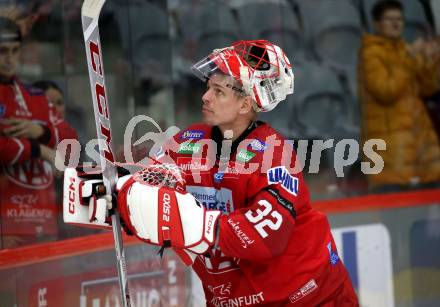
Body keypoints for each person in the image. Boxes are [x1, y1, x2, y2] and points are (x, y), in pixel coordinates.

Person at [68, 40, 359, 306]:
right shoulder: (189, 141)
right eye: (208, 87)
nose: (205, 97)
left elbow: (267, 235)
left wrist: (196, 225)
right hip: (233, 299)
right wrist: (109, 191)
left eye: (218, 92)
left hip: (312, 297)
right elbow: (149, 182)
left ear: (246, 103)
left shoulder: (275, 154)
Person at [0, 16, 74, 248]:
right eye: (2, 51)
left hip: (44, 218)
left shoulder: (35, 96)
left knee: (52, 282)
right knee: (10, 285)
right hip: (6, 225)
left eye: (14, 51)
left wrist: (39, 131)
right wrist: (43, 151)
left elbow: (70, 138)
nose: (9, 59)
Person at [358, 0, 440, 191]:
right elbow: (386, 91)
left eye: (400, 19)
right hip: (392, 152)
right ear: (377, 24)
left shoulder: (405, 50)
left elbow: (428, 89)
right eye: (390, 19)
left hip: (421, 148)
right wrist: (410, 58)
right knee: (395, 216)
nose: (396, 23)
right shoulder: (370, 53)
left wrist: (431, 60)